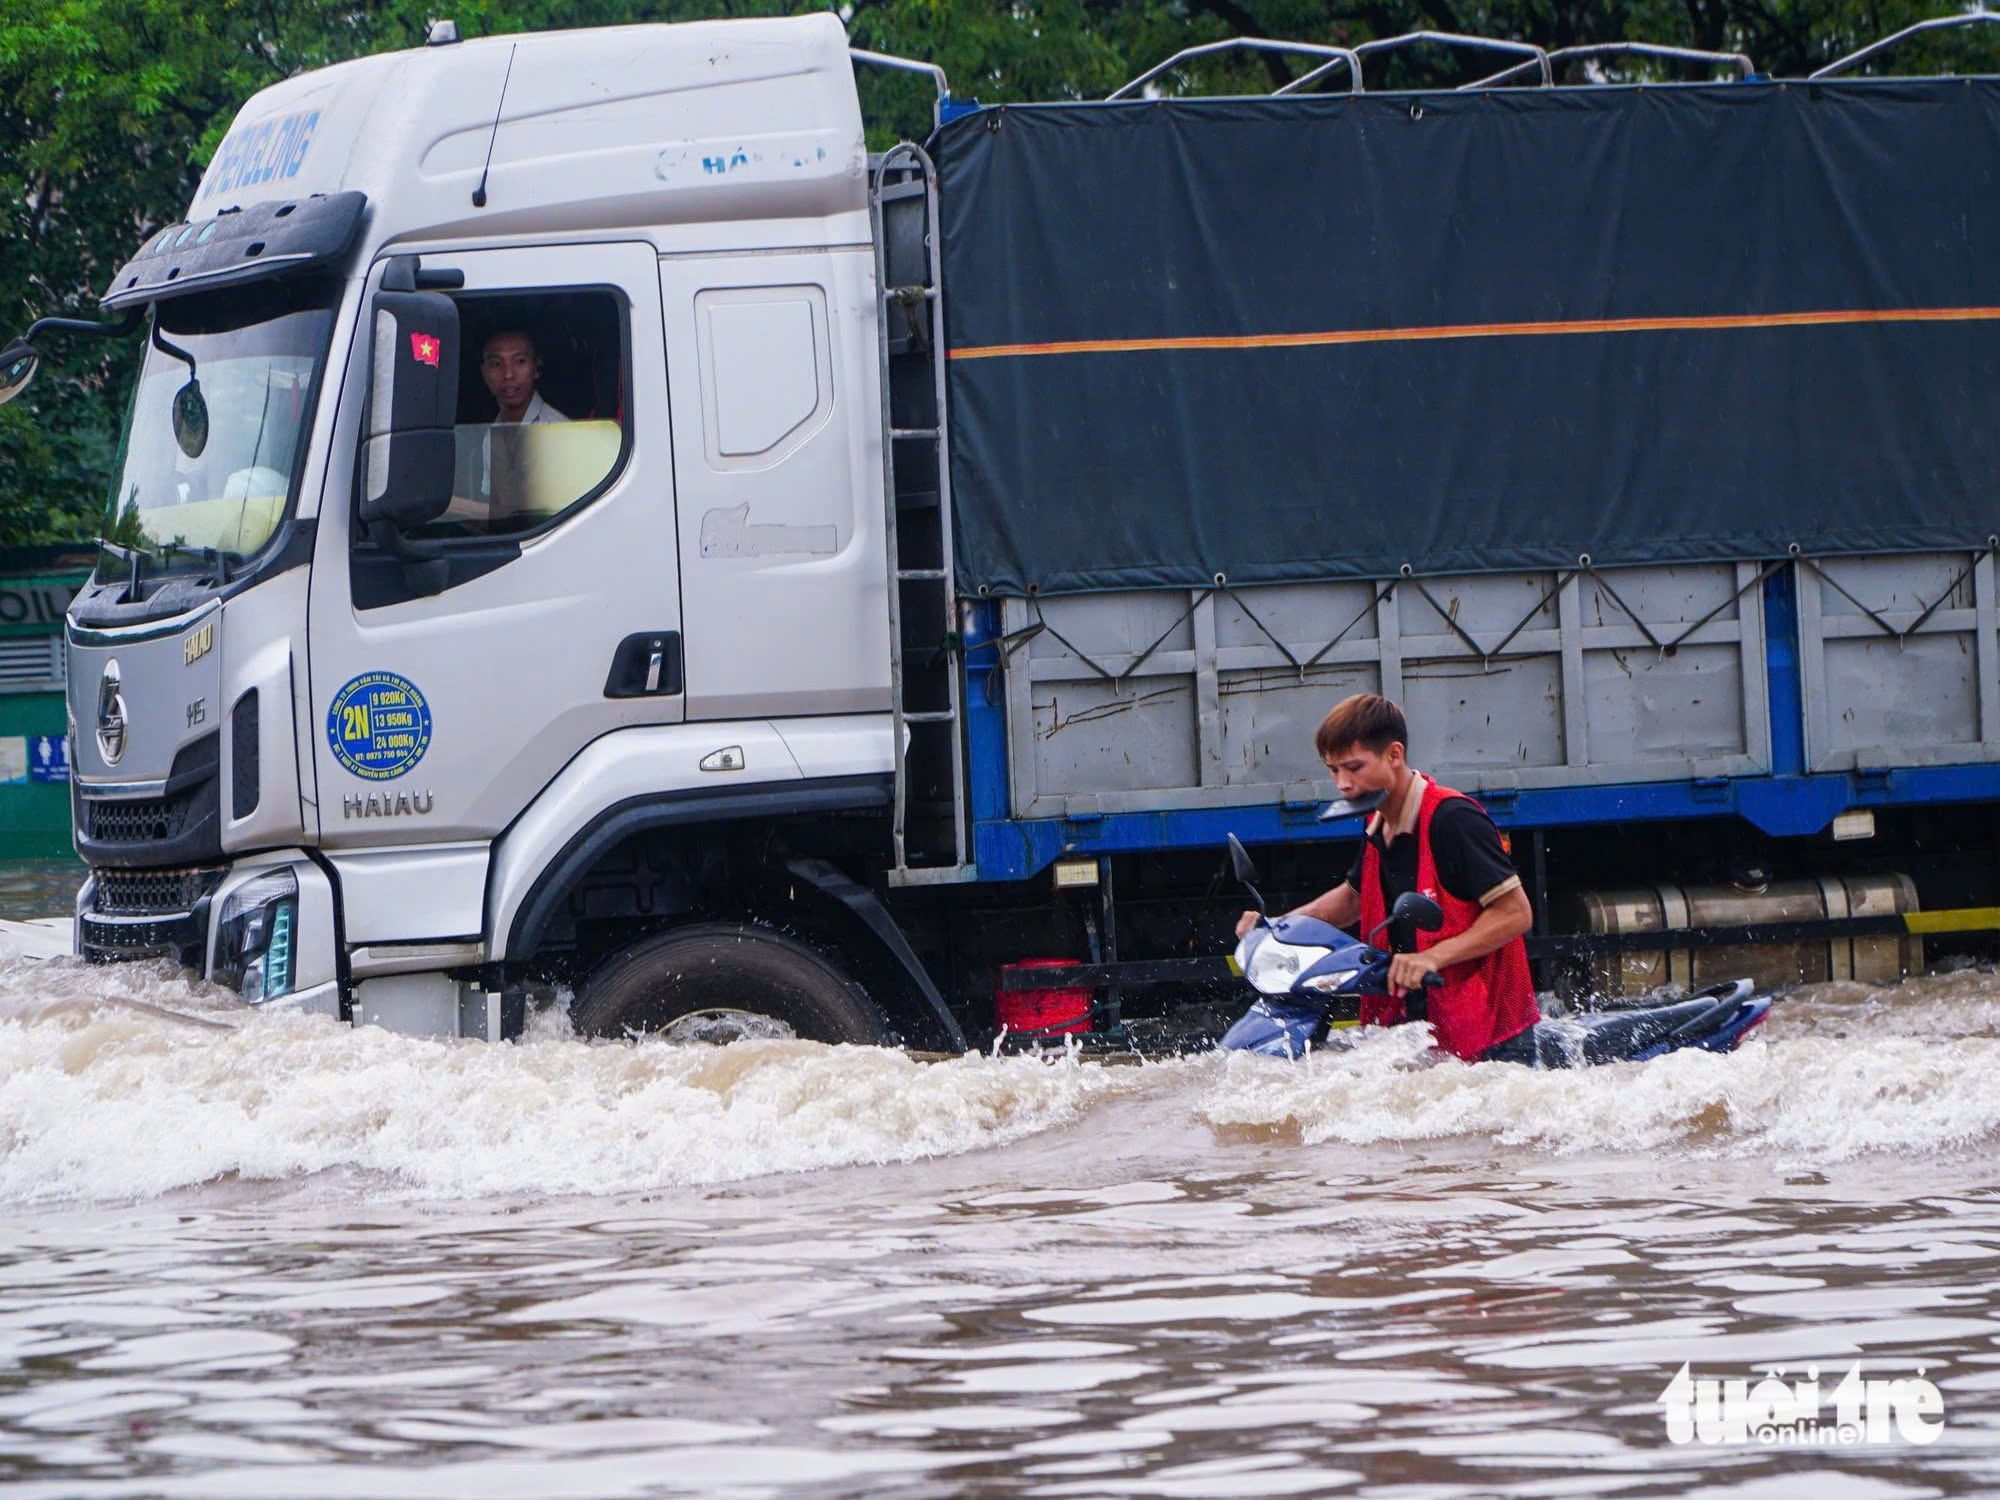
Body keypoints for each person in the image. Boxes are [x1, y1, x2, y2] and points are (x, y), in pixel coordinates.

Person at [1234, 693, 1539, 1061]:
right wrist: (1277, 926)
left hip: (1491, 1036)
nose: (1343, 784)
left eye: (1354, 767)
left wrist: (1431, 957)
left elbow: (1515, 913)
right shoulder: (1377, 821)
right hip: (1419, 1032)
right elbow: (1352, 898)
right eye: (1333, 771)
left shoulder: (1453, 819)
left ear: (1394, 755)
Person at [447, 328, 568, 525]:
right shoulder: (492, 434)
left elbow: (527, 515)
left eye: (520, 361)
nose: (509, 374)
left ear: (536, 368)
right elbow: (500, 520)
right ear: (484, 372)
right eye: (496, 364)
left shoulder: (556, 431)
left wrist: (451, 505)